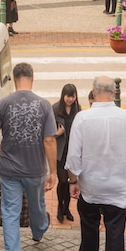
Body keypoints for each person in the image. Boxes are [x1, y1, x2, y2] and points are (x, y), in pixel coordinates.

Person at [66, 75, 126, 251]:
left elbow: (73, 156)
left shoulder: (82, 119)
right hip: (118, 188)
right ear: (113, 93)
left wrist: (73, 181)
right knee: (115, 235)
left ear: (94, 92)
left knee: (89, 234)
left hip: (90, 188)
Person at [0, 63, 57, 251]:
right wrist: (54, 172)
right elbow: (49, 140)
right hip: (35, 169)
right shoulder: (44, 105)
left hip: (9, 170)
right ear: (32, 79)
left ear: (14, 80)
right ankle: (39, 229)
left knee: (10, 212)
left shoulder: (3, 104)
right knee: (37, 205)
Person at [53, 83, 79, 224]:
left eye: (72, 96)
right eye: (68, 96)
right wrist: (58, 133)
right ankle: (59, 207)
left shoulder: (77, 110)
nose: (70, 99)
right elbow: (48, 134)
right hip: (60, 152)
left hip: (73, 151)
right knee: (62, 180)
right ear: (63, 96)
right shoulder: (55, 109)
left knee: (70, 181)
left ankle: (66, 209)